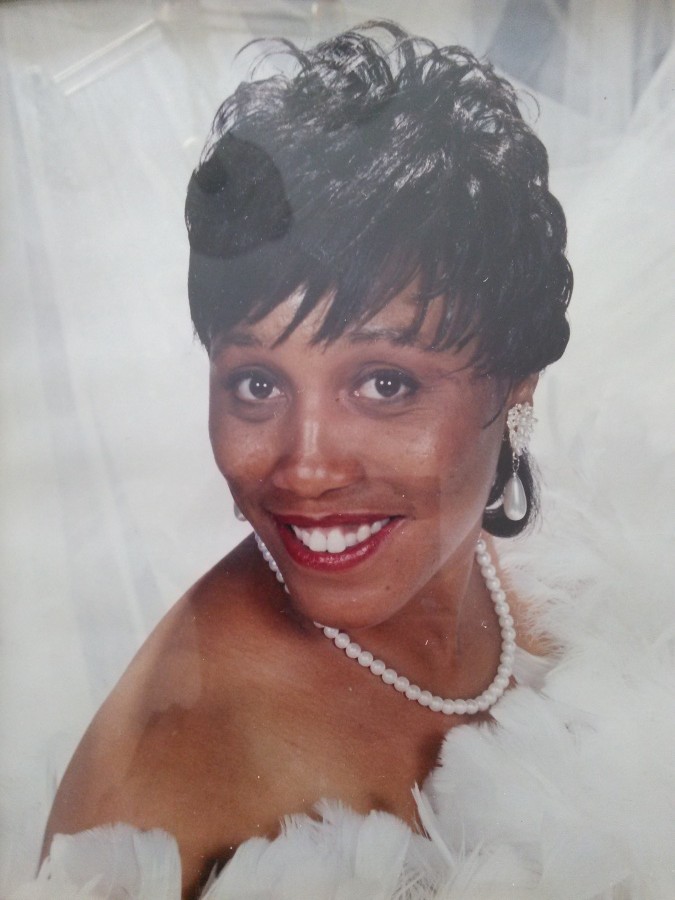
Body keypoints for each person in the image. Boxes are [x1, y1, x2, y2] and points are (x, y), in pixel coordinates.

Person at [28, 21, 675, 900]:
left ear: (516, 387)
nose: (305, 469)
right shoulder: (166, 800)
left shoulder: (568, 575)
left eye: (383, 383)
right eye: (256, 383)